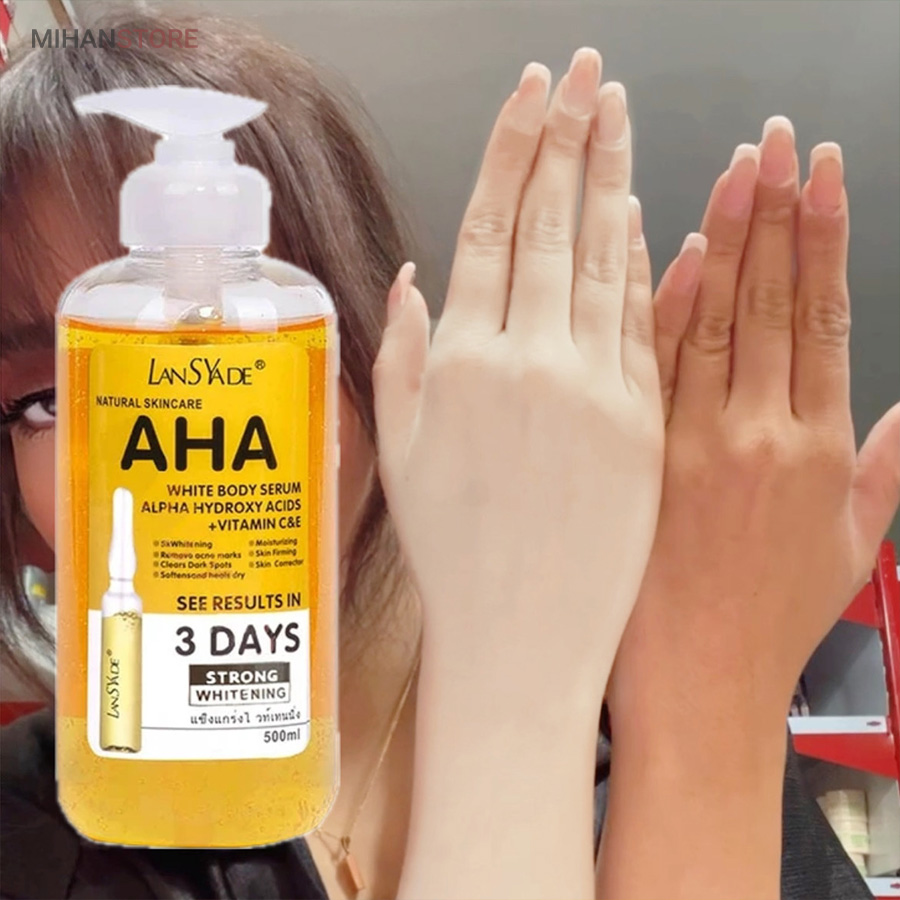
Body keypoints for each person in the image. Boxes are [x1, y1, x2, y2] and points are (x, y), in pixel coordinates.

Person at [2, 10, 897, 900]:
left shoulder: (660, 692)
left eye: (234, 356)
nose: (155, 442)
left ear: (382, 344)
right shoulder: (34, 830)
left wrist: (708, 704)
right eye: (46, 400)